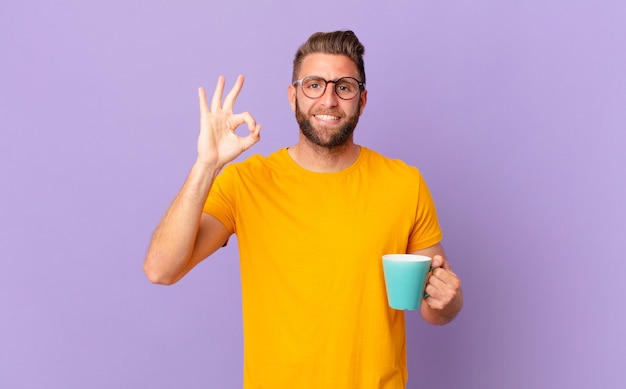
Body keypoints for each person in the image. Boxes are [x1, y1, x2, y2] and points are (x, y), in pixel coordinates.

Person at [144, 30, 463, 389]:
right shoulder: (246, 182)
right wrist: (206, 165)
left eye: (344, 87)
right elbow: (161, 269)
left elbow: (434, 308)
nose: (328, 100)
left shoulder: (405, 183)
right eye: (314, 85)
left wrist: (447, 300)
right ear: (293, 95)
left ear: (362, 99)